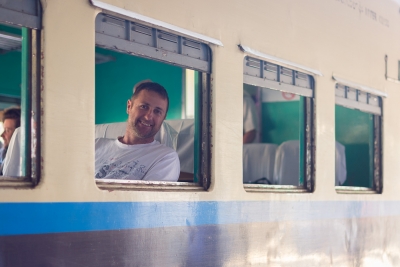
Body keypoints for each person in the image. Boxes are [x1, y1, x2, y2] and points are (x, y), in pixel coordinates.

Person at [95, 81, 180, 181]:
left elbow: (148, 197)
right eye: (144, 107)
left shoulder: (166, 157)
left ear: (163, 118)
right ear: (129, 107)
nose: (148, 116)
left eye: (157, 111)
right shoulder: (96, 145)